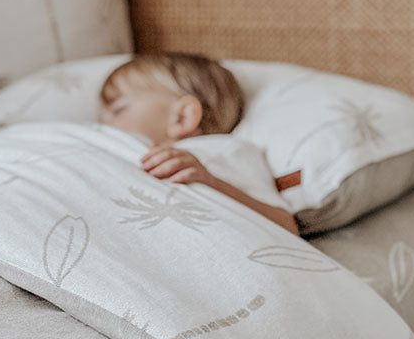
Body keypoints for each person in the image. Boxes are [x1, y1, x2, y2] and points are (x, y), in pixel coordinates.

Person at [98, 53, 298, 235]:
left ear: (183, 116)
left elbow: (286, 226)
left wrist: (211, 182)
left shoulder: (226, 150)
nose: (102, 125)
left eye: (118, 110)